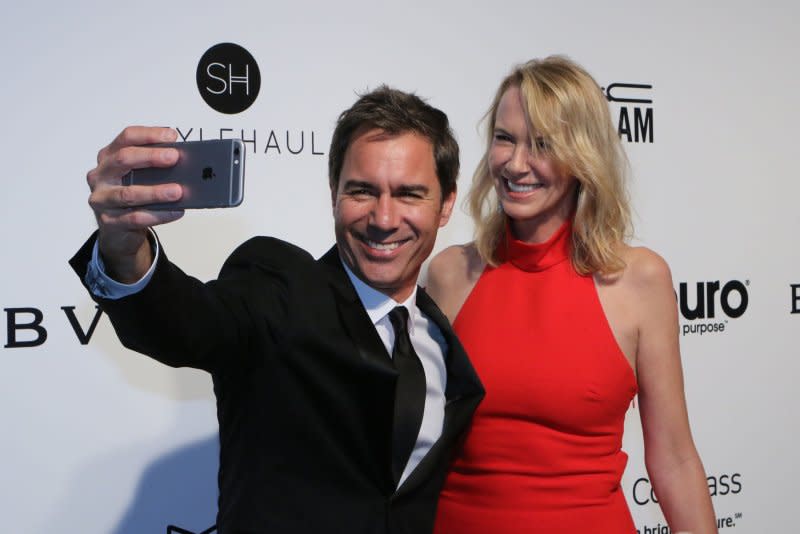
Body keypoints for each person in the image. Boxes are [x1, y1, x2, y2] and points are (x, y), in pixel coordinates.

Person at [69, 86, 483, 534]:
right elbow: (183, 322)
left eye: (408, 194)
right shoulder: (278, 288)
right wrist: (123, 249)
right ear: (333, 194)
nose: (383, 219)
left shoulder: (441, 336)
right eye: (362, 191)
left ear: (444, 205)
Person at [427, 57, 717, 533]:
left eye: (542, 144)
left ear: (583, 155)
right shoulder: (448, 274)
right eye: (505, 138)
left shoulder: (639, 280)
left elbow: (674, 461)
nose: (516, 163)